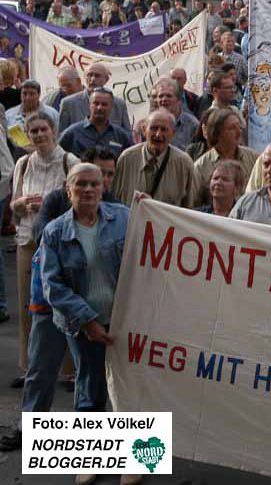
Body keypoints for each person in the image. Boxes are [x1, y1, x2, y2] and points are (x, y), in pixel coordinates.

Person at [38, 163, 138, 485]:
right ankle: (91, 458)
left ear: (103, 187)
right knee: (90, 389)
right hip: (83, 326)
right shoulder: (54, 231)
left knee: (134, 389)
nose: (89, 190)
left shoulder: (123, 216)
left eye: (95, 183)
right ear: (69, 190)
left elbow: (153, 247)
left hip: (125, 320)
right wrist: (89, 321)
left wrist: (151, 210)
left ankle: (138, 460)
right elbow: (54, 287)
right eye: (80, 184)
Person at [10, 113, 81, 385]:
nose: (39, 135)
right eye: (33, 131)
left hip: (61, 244)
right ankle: (27, 368)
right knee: (29, 305)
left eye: (43, 129)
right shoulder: (23, 163)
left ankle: (67, 370)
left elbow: (79, 200)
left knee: (62, 306)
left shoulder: (69, 161)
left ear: (54, 130)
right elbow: (13, 203)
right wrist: (23, 204)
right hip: (28, 240)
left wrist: (48, 209)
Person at [112, 110, 197, 208]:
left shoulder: (183, 164)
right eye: (153, 128)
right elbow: (114, 200)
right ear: (144, 130)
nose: (158, 134)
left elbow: (189, 208)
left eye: (164, 129)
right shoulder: (126, 158)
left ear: (173, 133)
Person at [192, 109, 258, 207]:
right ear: (217, 133)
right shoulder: (200, 167)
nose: (238, 132)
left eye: (239, 127)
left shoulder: (254, 158)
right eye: (232, 128)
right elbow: (193, 204)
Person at [57, 88, 133, 158]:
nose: (99, 108)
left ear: (111, 107)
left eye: (104, 104)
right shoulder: (72, 133)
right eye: (96, 103)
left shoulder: (121, 136)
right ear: (89, 105)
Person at [58, 63, 131, 133]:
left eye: (97, 76)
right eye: (89, 75)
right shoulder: (68, 104)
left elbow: (127, 135)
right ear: (84, 78)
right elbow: (60, 137)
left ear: (106, 79)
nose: (92, 79)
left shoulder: (119, 104)